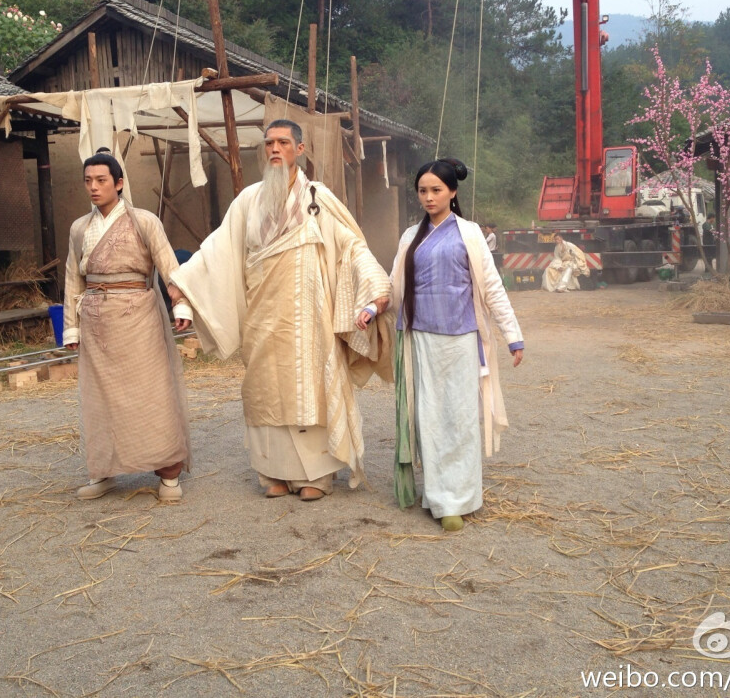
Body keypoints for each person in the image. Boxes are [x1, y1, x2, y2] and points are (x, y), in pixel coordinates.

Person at [167, 119, 392, 502]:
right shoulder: (248, 201)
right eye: (269, 143)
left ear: (299, 150)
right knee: (266, 388)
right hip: (263, 316)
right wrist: (182, 285)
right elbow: (217, 250)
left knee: (309, 387)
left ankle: (316, 477)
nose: (274, 149)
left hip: (310, 317)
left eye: (283, 143)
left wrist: (374, 290)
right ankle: (271, 472)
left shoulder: (318, 198)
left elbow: (353, 247)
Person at [389, 159, 524, 532]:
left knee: (460, 416)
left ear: (452, 192)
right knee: (430, 417)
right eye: (422, 191)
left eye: (436, 190)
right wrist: (372, 306)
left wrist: (512, 335)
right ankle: (439, 498)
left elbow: (492, 286)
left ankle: (462, 498)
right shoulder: (408, 237)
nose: (429, 197)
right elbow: (393, 283)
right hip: (421, 338)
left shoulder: (470, 233)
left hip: (462, 338)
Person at [62, 148, 191, 501]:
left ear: (119, 184)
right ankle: (105, 471)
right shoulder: (79, 228)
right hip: (96, 320)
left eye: (101, 180)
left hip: (138, 316)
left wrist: (180, 304)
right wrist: (70, 327)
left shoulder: (144, 221)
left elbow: (169, 265)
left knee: (152, 392)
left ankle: (168, 473)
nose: (94, 187)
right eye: (88, 181)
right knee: (100, 397)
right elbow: (74, 278)